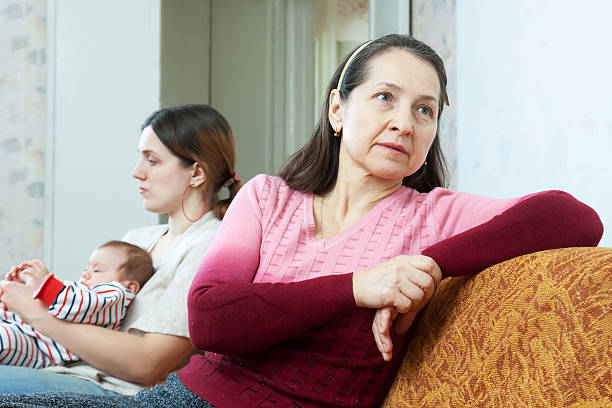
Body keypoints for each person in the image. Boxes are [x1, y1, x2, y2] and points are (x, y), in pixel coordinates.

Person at [0, 35, 603, 407]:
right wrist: (356, 287)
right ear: (338, 109)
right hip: (185, 398)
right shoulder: (267, 198)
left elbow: (575, 218)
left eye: (426, 109)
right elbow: (209, 319)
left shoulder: (436, 216)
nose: (405, 122)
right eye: (385, 98)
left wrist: (430, 266)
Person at [0, 104, 241, 397]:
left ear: (197, 173)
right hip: (67, 370)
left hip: (118, 391)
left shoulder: (210, 246)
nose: (136, 172)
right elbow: (88, 310)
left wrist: (35, 313)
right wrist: (37, 291)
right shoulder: (138, 240)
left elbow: (148, 365)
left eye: (151, 161)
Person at [1, 240, 153, 368]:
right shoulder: (87, 291)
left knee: (4, 339)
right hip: (27, 328)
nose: (85, 274)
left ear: (130, 287)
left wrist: (43, 281)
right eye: (86, 268)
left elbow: (77, 305)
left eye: (97, 270)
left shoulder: (115, 296)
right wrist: (26, 284)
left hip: (43, 348)